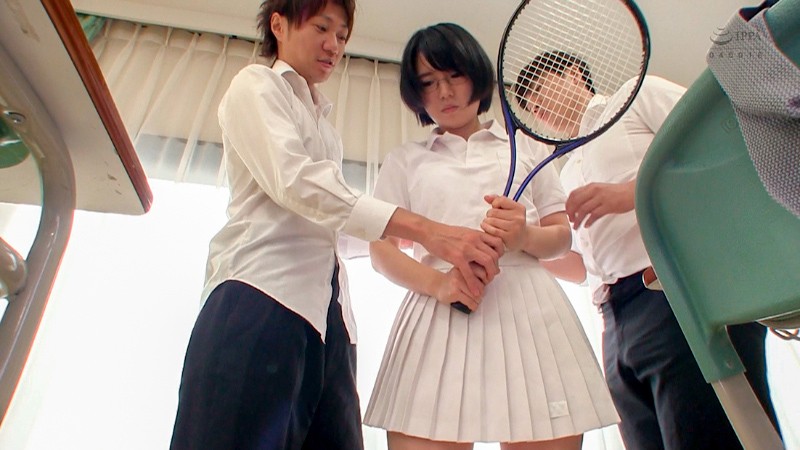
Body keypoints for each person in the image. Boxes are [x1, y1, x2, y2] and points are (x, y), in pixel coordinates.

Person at [168, 2, 505, 449]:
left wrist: (397, 233)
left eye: (342, 36)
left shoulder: (325, 129)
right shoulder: (256, 84)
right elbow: (297, 182)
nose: (334, 45)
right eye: (322, 28)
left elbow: (327, 225)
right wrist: (424, 229)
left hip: (332, 323)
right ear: (278, 25)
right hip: (259, 297)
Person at [363, 24, 619, 450]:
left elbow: (561, 237)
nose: (444, 92)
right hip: (437, 310)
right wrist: (440, 284)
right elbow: (380, 250)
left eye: (454, 75)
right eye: (428, 83)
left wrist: (524, 236)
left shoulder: (528, 148)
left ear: (476, 75)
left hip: (531, 313)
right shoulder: (404, 160)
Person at [518, 50, 781, 450]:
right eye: (529, 106)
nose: (536, 108)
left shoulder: (637, 96)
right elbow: (583, 269)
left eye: (538, 90)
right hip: (614, 322)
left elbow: (722, 147)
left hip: (678, 291)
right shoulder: (567, 171)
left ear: (573, 75)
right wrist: (523, 244)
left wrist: (631, 193)